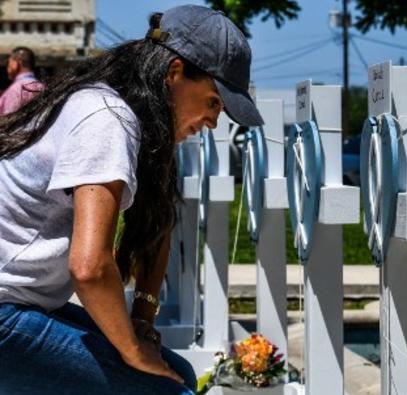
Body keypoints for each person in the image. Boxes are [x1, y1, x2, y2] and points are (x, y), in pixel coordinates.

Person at [0, 5, 263, 395]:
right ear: (174, 72)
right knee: (168, 390)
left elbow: (156, 226)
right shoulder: (105, 118)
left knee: (178, 374)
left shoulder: (136, 118)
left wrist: (142, 320)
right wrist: (134, 353)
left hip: (26, 304)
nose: (214, 121)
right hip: (7, 310)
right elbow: (89, 269)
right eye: (213, 101)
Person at [0, 46, 44, 116]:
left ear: (15, 64)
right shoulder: (42, 87)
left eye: (9, 63)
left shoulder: (14, 91)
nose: (7, 68)